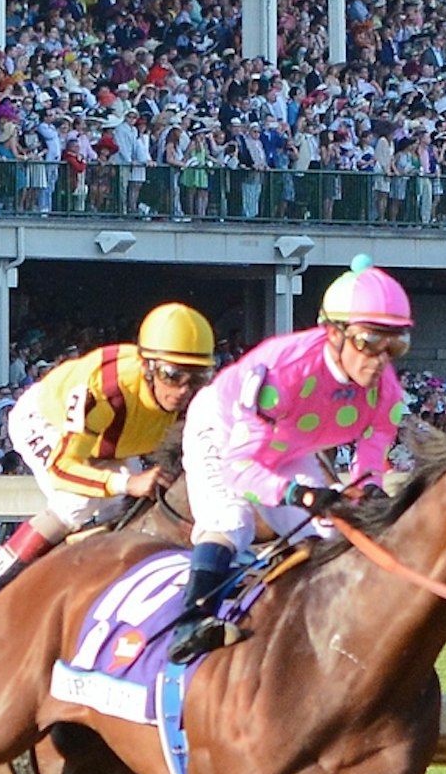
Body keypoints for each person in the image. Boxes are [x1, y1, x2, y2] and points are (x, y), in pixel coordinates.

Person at [0, 302, 218, 659]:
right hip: (48, 424)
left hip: (115, 437)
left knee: (131, 512)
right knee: (77, 502)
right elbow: (66, 466)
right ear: (148, 369)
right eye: (173, 376)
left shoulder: (190, 395)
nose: (184, 391)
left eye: (198, 378)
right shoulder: (103, 389)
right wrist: (128, 484)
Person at [163, 260, 413, 663]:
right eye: (369, 342)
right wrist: (300, 494)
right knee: (232, 520)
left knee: (333, 534)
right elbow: (240, 468)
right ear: (334, 334)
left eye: (396, 345)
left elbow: (371, 461)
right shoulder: (285, 373)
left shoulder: (385, 391)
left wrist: (364, 493)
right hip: (224, 432)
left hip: (289, 448)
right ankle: (192, 620)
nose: (381, 360)